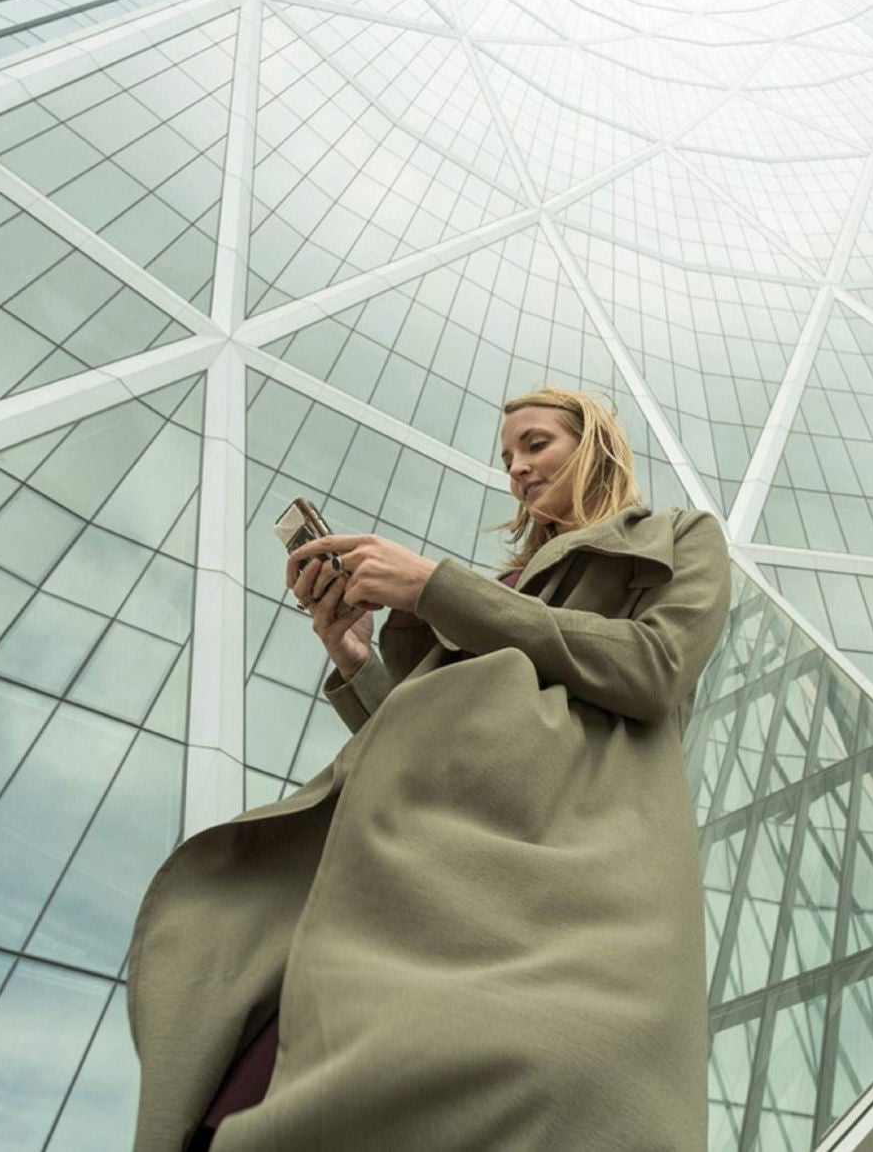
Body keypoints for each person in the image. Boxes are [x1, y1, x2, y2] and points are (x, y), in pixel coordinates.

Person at [124, 387, 733, 1152]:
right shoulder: (493, 595)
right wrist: (354, 656)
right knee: (255, 1092)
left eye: (535, 443)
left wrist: (433, 588)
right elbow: (438, 749)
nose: (516, 467)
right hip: (403, 881)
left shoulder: (680, 537)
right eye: (507, 456)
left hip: (548, 892)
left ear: (595, 443)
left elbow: (657, 665)